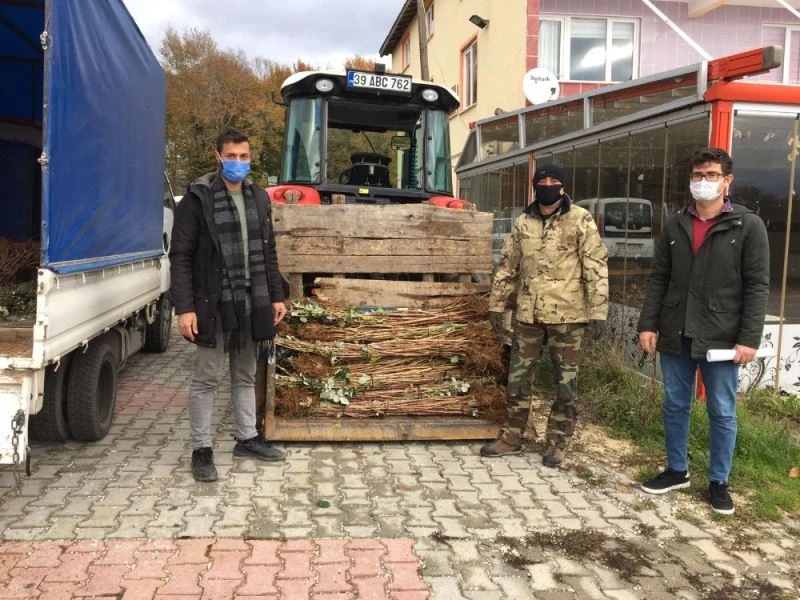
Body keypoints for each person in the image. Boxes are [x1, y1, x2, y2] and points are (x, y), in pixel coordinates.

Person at [637, 147, 769, 515]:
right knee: (675, 404)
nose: (702, 182)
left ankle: (718, 481)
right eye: (697, 175)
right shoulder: (676, 223)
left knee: (722, 410)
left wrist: (748, 338)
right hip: (676, 329)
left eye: (711, 175)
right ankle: (677, 469)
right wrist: (648, 323)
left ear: (727, 181)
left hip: (722, 335)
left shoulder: (747, 226)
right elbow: (660, 277)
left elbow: (758, 285)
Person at [170, 127, 288, 482]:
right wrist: (184, 307)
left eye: (244, 156)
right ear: (218, 156)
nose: (238, 163)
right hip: (213, 303)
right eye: (232, 156)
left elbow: (267, 250)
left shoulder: (259, 197)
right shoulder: (198, 197)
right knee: (206, 378)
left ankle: (246, 438)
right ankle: (201, 450)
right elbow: (181, 256)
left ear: (251, 158)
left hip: (253, 301)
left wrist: (277, 295)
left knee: (245, 374)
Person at [481, 164, 609, 467]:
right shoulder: (523, 223)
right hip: (529, 317)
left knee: (566, 384)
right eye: (542, 181)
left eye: (554, 181)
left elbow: (596, 264)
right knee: (518, 380)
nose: (548, 185)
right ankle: (512, 437)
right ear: (534, 186)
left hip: (568, 317)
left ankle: (557, 443)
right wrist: (496, 304)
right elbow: (507, 266)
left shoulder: (580, 219)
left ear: (562, 186)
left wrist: (599, 309)